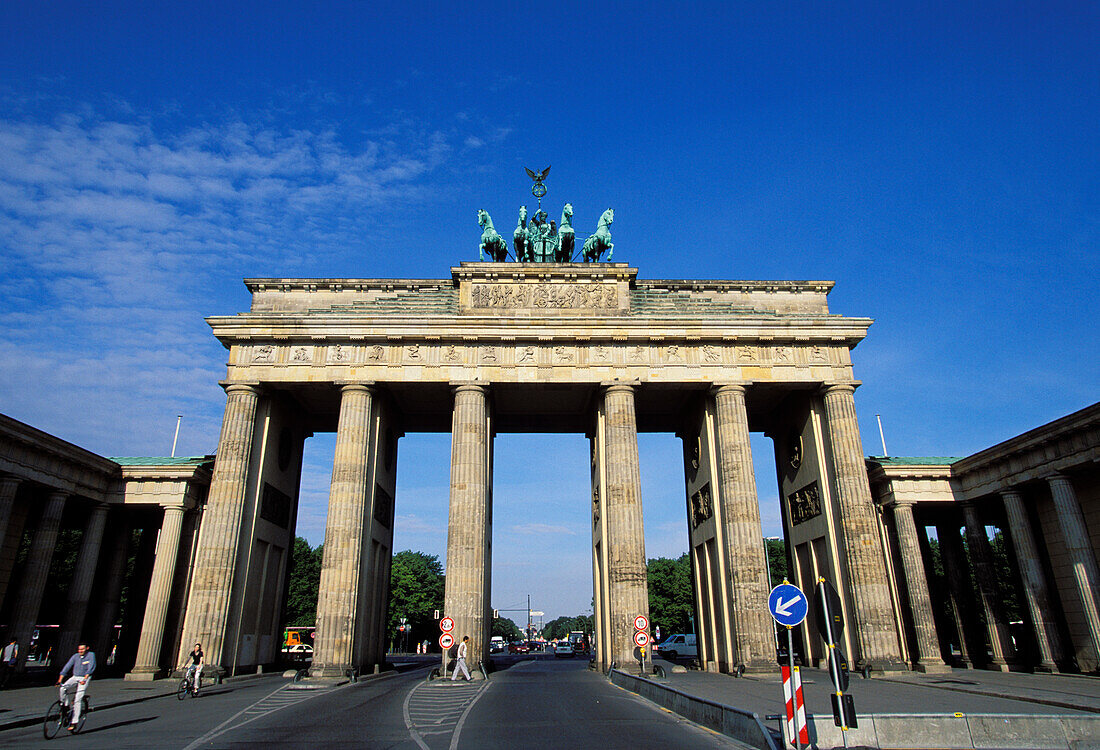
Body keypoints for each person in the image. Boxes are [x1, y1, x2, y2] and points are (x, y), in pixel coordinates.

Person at [57, 643, 95, 731]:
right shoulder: (75, 656)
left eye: (82, 649)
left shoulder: (91, 655)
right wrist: (60, 679)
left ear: (87, 648)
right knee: (63, 688)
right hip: (75, 676)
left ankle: (74, 722)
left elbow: (91, 667)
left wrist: (85, 679)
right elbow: (67, 666)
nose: (80, 651)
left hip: (85, 677)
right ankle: (65, 705)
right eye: (79, 649)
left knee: (77, 699)